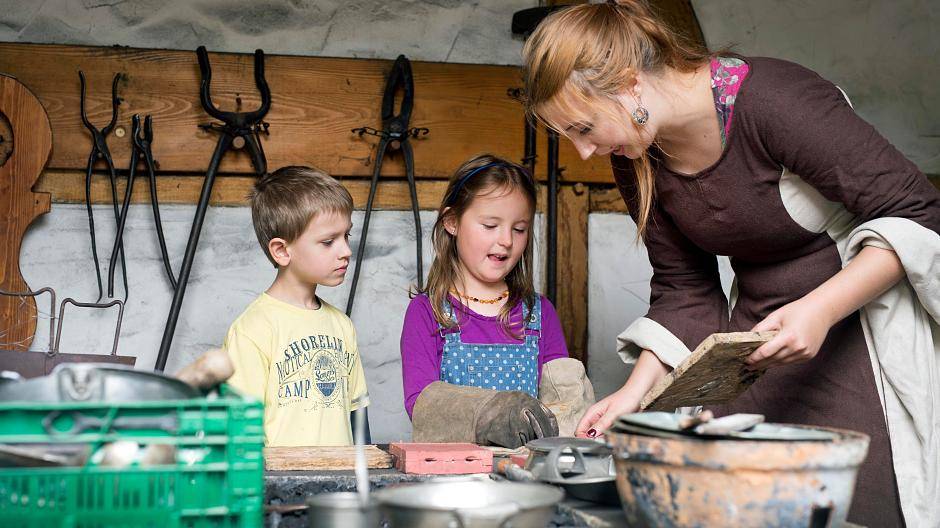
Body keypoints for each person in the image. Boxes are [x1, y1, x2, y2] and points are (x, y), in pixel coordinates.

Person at [521, 1, 940, 526]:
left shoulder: (776, 100)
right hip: (758, 348)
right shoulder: (636, 157)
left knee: (857, 503)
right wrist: (635, 393)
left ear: (629, 84)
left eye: (584, 128)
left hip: (858, 335)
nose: (585, 152)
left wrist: (821, 309)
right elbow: (685, 289)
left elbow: (917, 211)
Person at [400, 154, 593, 448]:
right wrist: (491, 412)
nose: (506, 240)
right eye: (490, 225)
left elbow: (562, 401)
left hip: (525, 473)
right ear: (452, 222)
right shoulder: (429, 312)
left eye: (519, 229)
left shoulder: (539, 314)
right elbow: (421, 405)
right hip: (452, 474)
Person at [224, 166, 369, 447]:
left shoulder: (342, 326)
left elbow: (358, 415)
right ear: (281, 251)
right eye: (328, 242)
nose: (346, 251)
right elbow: (241, 433)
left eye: (346, 236)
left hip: (339, 486)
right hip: (279, 488)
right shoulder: (252, 330)